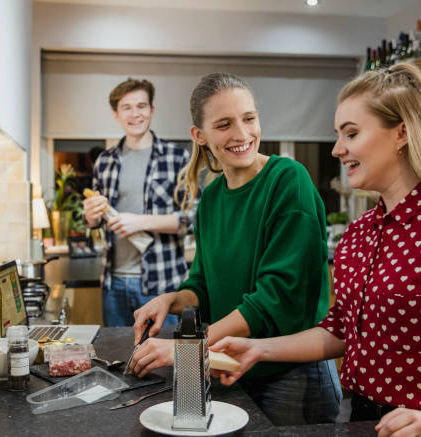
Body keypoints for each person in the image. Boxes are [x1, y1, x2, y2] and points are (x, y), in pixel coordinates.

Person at [208, 62, 421, 437]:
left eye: (351, 133)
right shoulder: (359, 234)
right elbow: (340, 331)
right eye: (337, 134)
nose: (337, 149)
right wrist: (257, 349)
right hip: (362, 418)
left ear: (401, 133)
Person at [128, 72, 342, 425]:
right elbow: (202, 283)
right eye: (224, 124)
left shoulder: (289, 180)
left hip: (291, 379)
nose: (242, 134)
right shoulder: (211, 197)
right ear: (200, 136)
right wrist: (171, 300)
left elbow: (275, 298)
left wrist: (188, 349)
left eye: (249, 119)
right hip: (230, 370)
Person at [83, 78, 195, 327]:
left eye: (142, 106)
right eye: (127, 107)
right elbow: (95, 222)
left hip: (162, 283)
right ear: (116, 114)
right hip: (113, 284)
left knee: (165, 361)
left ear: (152, 110)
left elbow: (193, 219)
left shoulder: (177, 157)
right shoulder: (105, 161)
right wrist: (91, 216)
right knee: (119, 361)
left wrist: (140, 222)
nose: (135, 114)